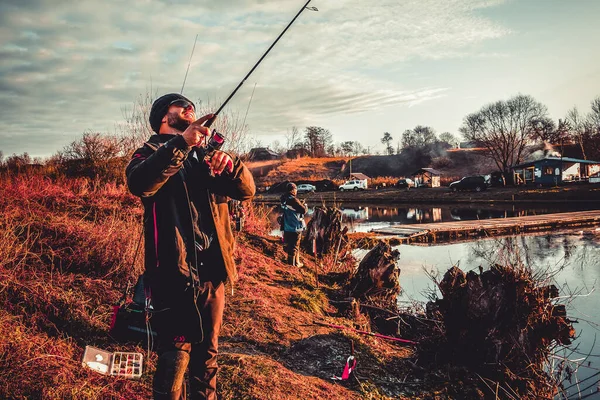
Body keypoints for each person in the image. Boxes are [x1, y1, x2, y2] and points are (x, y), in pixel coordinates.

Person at [126, 93, 255, 399]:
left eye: (191, 108)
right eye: (181, 107)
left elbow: (247, 191)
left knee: (207, 358)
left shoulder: (207, 157)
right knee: (174, 357)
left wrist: (232, 165)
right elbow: (140, 183)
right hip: (173, 274)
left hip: (213, 274)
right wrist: (182, 143)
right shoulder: (148, 153)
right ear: (162, 117)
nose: (189, 110)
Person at [280, 182, 307, 267]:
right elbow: (303, 211)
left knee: (290, 244)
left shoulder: (283, 199)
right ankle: (291, 264)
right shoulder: (294, 200)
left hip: (286, 225)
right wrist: (304, 205)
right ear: (293, 190)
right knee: (295, 245)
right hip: (295, 226)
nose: (296, 191)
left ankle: (296, 262)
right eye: (296, 189)